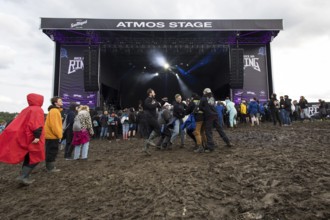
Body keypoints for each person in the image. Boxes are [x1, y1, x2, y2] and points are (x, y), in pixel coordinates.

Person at [0, 93, 45, 185]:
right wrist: (37, 136)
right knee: (36, 157)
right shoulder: (37, 110)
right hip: (33, 138)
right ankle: (23, 177)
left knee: (29, 157)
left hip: (25, 136)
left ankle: (24, 176)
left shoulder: (26, 109)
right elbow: (36, 124)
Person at [199, 88, 233, 152]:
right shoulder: (212, 98)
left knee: (208, 132)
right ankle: (228, 142)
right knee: (220, 129)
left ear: (204, 92)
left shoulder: (203, 99)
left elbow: (200, 107)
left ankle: (210, 147)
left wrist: (204, 109)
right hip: (215, 115)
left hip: (208, 117)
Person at [44, 96, 63, 172]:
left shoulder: (54, 111)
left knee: (50, 151)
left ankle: (49, 167)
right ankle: (50, 168)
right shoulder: (55, 111)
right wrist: (59, 135)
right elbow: (54, 125)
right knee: (52, 151)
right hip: (52, 136)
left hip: (50, 135)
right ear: (56, 103)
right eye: (60, 101)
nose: (62, 102)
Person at [143, 88, 162, 155]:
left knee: (150, 133)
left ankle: (145, 148)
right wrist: (156, 103)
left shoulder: (154, 100)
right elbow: (150, 106)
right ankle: (149, 141)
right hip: (149, 118)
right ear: (150, 93)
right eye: (154, 92)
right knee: (159, 129)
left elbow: (159, 105)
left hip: (153, 117)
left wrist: (158, 103)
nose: (155, 93)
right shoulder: (147, 100)